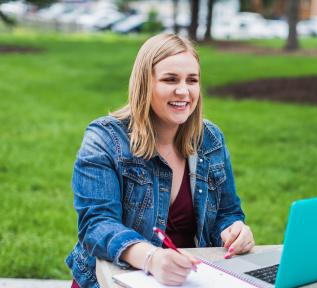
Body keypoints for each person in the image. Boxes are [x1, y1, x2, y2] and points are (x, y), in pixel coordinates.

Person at [66, 33, 255, 288]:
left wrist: (234, 230)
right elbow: (96, 225)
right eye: (170, 79)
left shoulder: (210, 139)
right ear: (145, 84)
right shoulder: (105, 139)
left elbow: (227, 211)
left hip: (188, 280)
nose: (183, 90)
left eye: (192, 80)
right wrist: (152, 258)